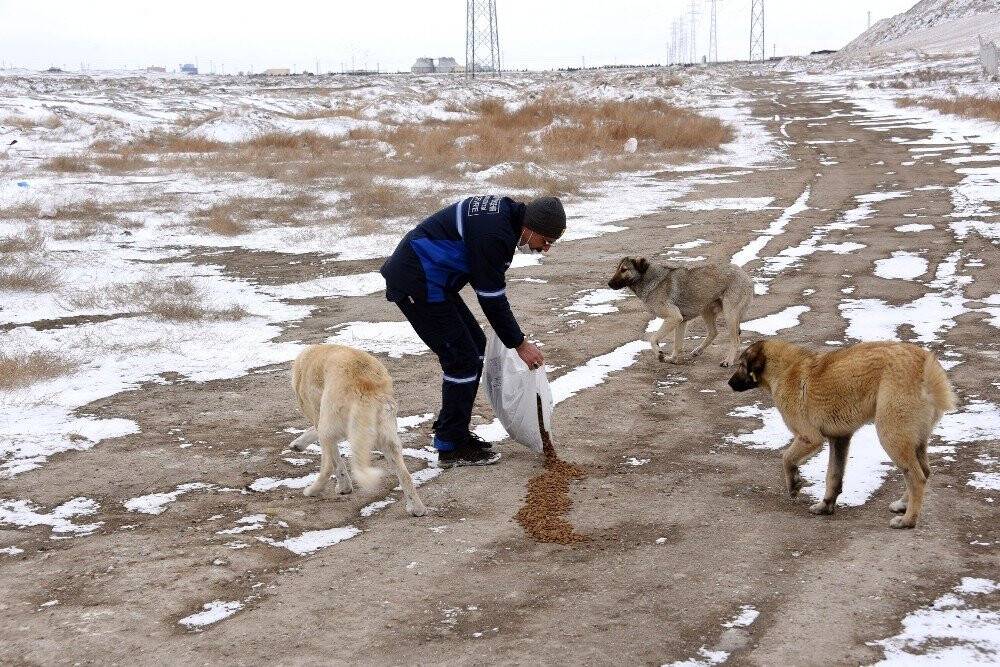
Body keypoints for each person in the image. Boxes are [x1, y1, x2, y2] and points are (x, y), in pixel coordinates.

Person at [380, 195, 566, 467]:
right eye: (546, 240)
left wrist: (516, 340)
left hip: (434, 280)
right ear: (530, 227)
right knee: (462, 359)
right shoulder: (496, 235)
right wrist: (519, 344)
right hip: (417, 280)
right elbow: (491, 297)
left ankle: (450, 429)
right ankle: (451, 444)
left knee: (475, 347)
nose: (546, 248)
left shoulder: (506, 218)